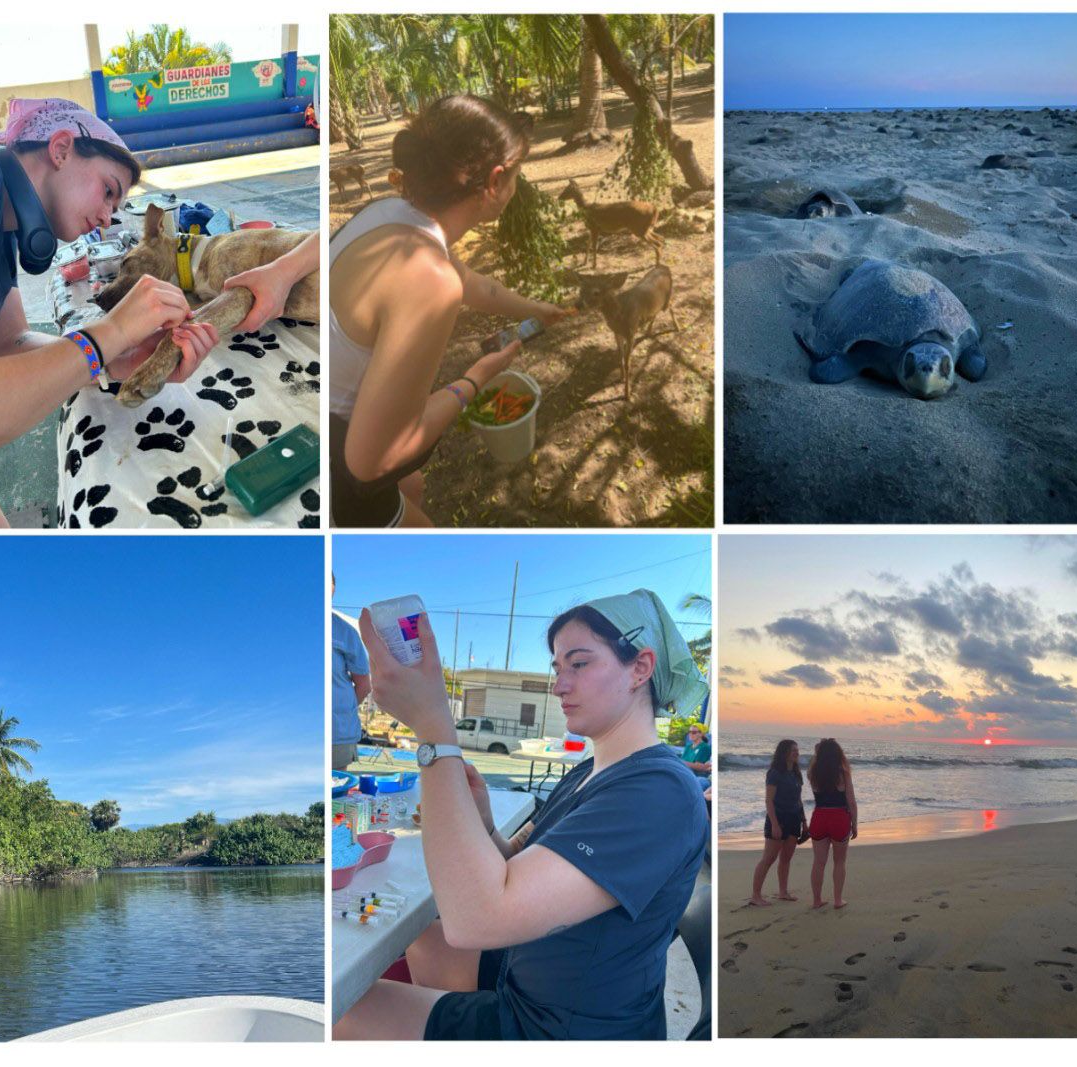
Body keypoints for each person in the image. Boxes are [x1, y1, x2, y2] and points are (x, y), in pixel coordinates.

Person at [335, 589, 709, 1040]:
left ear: (641, 668)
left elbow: (475, 919)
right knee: (418, 935)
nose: (560, 685)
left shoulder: (658, 792)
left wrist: (432, 725)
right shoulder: (591, 770)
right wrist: (485, 825)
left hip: (562, 1031)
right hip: (530, 975)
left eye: (579, 663)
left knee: (338, 1012)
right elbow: (522, 868)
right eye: (558, 668)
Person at [0, 98, 222, 527]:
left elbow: (8, 343)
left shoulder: (2, 220)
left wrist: (118, 358)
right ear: (61, 149)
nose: (108, 219)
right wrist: (111, 331)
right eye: (109, 191)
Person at [328, 95, 569, 527]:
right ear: (496, 180)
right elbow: (370, 463)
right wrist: (475, 379)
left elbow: (472, 283)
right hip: (331, 464)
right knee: (425, 533)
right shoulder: (428, 279)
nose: (516, 187)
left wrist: (534, 309)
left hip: (328, 410)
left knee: (413, 484)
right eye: (517, 175)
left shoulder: (388, 214)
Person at [748, 739, 806, 906]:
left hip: (794, 818)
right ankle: (756, 896)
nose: (796, 753)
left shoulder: (796, 773)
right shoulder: (775, 773)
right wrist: (774, 824)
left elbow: (798, 800)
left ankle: (783, 892)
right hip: (778, 818)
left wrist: (804, 821)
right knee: (769, 858)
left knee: (786, 858)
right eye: (793, 750)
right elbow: (769, 800)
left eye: (797, 750)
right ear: (784, 752)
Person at [807, 738, 858, 910]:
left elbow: (815, 761)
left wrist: (817, 754)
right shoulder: (843, 774)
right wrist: (854, 824)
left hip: (819, 816)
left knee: (818, 862)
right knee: (839, 861)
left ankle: (816, 900)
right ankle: (837, 900)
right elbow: (851, 802)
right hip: (839, 817)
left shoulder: (813, 773)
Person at [331, 574, 372, 770]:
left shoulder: (344, 632)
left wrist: (341, 711)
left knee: (336, 786)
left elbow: (364, 685)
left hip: (336, 740)